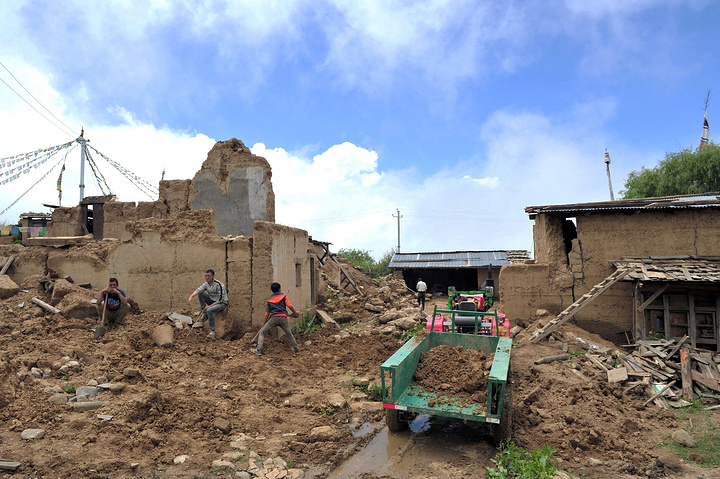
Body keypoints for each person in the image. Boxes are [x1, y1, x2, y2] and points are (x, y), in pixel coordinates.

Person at [251, 282, 300, 356]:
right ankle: (296, 349)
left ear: (271, 290)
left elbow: (267, 313)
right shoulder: (284, 296)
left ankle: (258, 350)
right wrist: (294, 313)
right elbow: (289, 305)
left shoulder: (270, 300)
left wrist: (264, 322)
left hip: (274, 319)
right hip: (283, 318)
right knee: (289, 334)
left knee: (262, 332)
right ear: (280, 289)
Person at [188, 269, 228, 339]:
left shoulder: (218, 284)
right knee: (201, 293)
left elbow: (221, 299)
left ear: (213, 276)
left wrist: (209, 306)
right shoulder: (206, 284)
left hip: (221, 303)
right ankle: (204, 312)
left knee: (209, 310)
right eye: (206, 276)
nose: (207, 278)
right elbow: (199, 290)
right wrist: (191, 296)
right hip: (212, 301)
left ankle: (213, 331)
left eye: (208, 276)